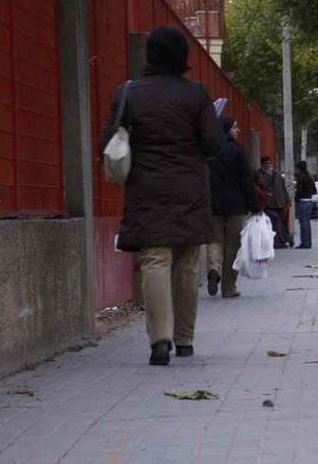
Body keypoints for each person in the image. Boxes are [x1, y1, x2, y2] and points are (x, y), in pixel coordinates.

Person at [102, 26, 222, 366]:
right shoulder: (196, 95)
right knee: (186, 262)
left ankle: (160, 339)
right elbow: (213, 144)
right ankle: (185, 339)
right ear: (182, 56)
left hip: (146, 187)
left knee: (155, 259)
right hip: (189, 189)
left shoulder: (128, 93)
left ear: (149, 55)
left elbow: (108, 140)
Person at [207, 116, 261, 298]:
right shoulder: (237, 150)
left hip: (213, 204)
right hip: (236, 205)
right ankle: (228, 287)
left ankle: (214, 269)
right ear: (227, 129)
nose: (238, 131)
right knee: (232, 246)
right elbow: (246, 181)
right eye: (235, 127)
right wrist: (254, 206)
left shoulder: (209, 150)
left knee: (215, 241)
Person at [257, 157, 291, 248]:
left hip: (280, 202)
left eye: (269, 163)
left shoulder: (277, 174)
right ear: (262, 164)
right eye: (266, 163)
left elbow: (283, 188)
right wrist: (268, 175)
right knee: (272, 223)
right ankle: (274, 241)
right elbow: (263, 186)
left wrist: (287, 200)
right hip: (269, 204)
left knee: (281, 222)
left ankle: (282, 240)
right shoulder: (260, 175)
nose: (268, 165)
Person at [294, 161, 316, 249]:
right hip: (309, 201)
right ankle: (308, 242)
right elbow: (314, 190)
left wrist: (296, 199)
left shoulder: (300, 178)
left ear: (299, 168)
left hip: (302, 201)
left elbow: (299, 191)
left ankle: (304, 243)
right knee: (307, 223)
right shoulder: (309, 177)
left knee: (303, 224)